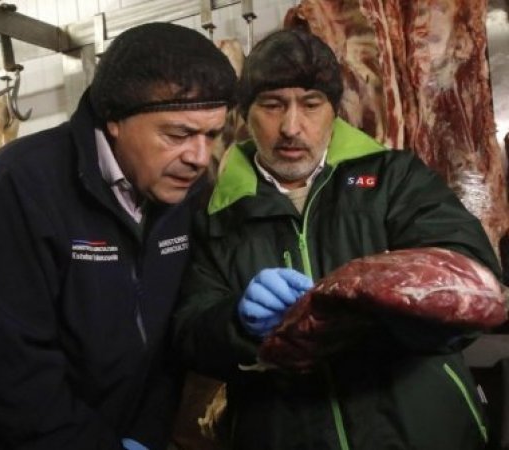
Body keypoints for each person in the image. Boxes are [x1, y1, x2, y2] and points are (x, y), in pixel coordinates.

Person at [171, 27, 503, 450]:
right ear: (246, 114)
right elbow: (190, 333)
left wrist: (389, 302)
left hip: (422, 433)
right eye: (272, 105)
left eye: (311, 104)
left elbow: (473, 277)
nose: (291, 127)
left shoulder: (394, 178)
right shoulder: (217, 214)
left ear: (333, 110)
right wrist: (236, 321)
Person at [0, 22, 236, 450]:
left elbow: (164, 347)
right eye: (178, 134)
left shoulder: (185, 194)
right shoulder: (16, 187)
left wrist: (145, 434)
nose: (199, 157)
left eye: (211, 135)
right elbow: (8, 371)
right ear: (115, 120)